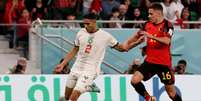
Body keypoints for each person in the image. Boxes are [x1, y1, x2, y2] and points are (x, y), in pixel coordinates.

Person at [54, 13, 144, 101]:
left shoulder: (105, 36)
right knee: (66, 97)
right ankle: (88, 87)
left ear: (94, 22)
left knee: (74, 96)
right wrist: (63, 64)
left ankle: (86, 85)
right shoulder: (81, 32)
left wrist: (136, 43)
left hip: (90, 70)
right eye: (84, 23)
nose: (85, 25)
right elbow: (74, 50)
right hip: (76, 67)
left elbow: (122, 48)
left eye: (87, 23)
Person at [127, 3, 182, 101]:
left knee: (171, 92)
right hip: (150, 62)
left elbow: (167, 41)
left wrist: (151, 36)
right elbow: (137, 35)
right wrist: (126, 44)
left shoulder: (168, 25)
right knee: (134, 80)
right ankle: (148, 98)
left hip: (164, 65)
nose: (149, 16)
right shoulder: (147, 24)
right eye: (148, 14)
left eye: (151, 14)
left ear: (159, 14)